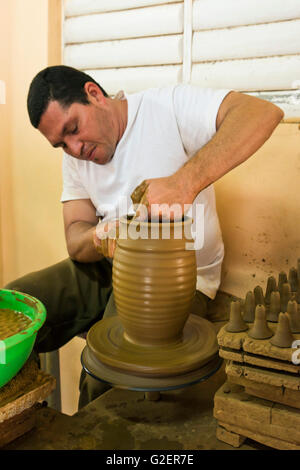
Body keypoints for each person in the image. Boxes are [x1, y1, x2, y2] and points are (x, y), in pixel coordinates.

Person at [5, 66, 283, 408]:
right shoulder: (76, 156)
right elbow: (75, 237)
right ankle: (20, 418)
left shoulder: (166, 107)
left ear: (94, 94)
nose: (75, 147)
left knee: (106, 371)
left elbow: (261, 112)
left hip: (177, 278)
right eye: (61, 144)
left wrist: (185, 182)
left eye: (74, 129)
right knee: (11, 310)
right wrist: (98, 235)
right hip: (109, 266)